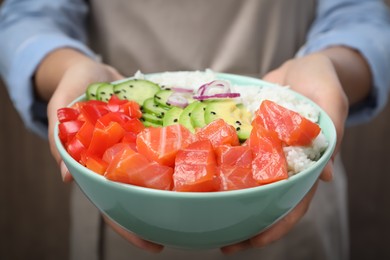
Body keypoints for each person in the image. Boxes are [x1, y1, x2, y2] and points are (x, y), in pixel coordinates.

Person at [1, 0, 389, 259]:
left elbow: (361, 16)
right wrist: (69, 69)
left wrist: (329, 66)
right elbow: (27, 16)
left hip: (286, 207)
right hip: (122, 207)